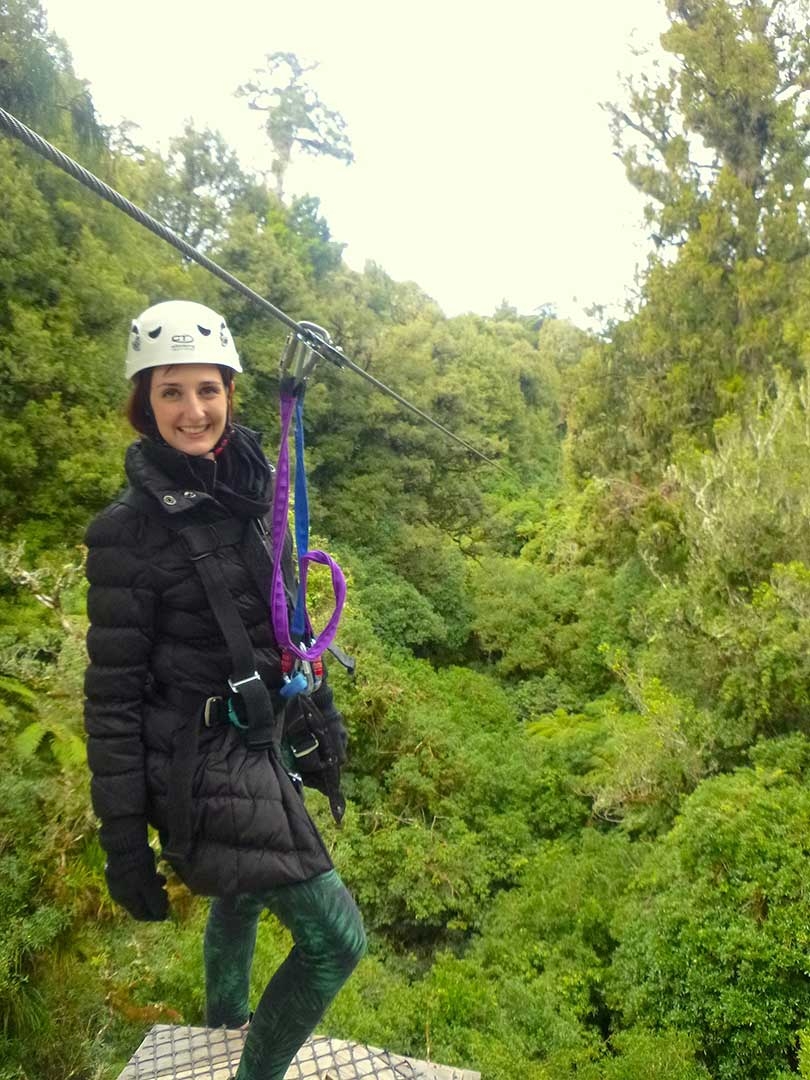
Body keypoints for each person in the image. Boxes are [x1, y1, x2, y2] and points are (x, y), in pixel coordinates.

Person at [83, 299, 366, 1080]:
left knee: (241, 896)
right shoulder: (128, 531)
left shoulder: (252, 491)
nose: (193, 410)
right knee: (337, 941)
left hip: (257, 729)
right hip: (200, 755)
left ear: (229, 395)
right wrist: (122, 843)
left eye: (207, 390)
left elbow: (283, 620)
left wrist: (318, 718)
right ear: (145, 402)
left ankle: (224, 1030)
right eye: (170, 392)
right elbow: (111, 697)